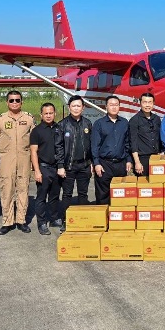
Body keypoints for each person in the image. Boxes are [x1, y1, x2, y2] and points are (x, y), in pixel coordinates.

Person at [0, 90, 36, 235]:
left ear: (22, 102)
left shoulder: (29, 119)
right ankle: (7, 222)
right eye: (11, 100)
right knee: (7, 190)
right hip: (6, 159)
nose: (14, 103)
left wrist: (34, 162)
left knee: (23, 190)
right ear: (7, 102)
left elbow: (34, 142)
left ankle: (21, 220)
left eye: (17, 100)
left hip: (24, 158)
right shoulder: (0, 120)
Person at [59, 95, 93, 232]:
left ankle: (81, 220)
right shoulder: (62, 125)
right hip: (68, 166)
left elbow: (91, 145)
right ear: (69, 107)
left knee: (83, 194)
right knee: (67, 194)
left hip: (84, 165)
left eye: (79, 106)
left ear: (83, 108)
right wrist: (60, 166)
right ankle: (66, 220)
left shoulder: (88, 124)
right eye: (73, 106)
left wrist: (92, 162)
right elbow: (59, 147)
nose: (76, 108)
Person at [30, 102, 65, 235]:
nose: (48, 116)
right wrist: (37, 171)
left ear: (55, 114)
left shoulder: (59, 128)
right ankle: (42, 222)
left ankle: (54, 218)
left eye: (51, 113)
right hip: (43, 168)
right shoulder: (37, 131)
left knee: (54, 196)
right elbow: (33, 152)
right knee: (41, 197)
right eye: (46, 113)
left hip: (56, 168)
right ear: (41, 115)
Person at [91, 95, 132, 205]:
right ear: (106, 107)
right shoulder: (99, 124)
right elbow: (95, 145)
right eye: (111, 105)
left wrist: (129, 160)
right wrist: (96, 163)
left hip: (120, 164)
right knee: (103, 195)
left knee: (120, 194)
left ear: (119, 106)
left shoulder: (124, 123)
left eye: (116, 105)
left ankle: (118, 215)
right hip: (104, 164)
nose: (114, 107)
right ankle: (104, 215)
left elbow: (127, 143)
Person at [129, 92, 162, 177]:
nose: (147, 105)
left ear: (153, 103)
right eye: (145, 102)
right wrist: (137, 162)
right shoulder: (134, 120)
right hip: (142, 159)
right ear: (140, 103)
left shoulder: (157, 119)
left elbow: (159, 138)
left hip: (156, 157)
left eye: (150, 102)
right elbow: (133, 143)